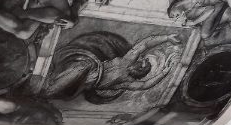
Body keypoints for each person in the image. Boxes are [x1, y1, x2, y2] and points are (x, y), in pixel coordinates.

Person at [43, 31, 183, 103]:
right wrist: (166, 38)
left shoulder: (126, 82)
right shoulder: (127, 60)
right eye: (143, 58)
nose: (141, 58)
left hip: (86, 83)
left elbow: (146, 84)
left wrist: (165, 71)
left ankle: (48, 89)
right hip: (91, 66)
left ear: (141, 69)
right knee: (83, 66)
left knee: (76, 75)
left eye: (143, 61)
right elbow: (145, 44)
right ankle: (49, 85)